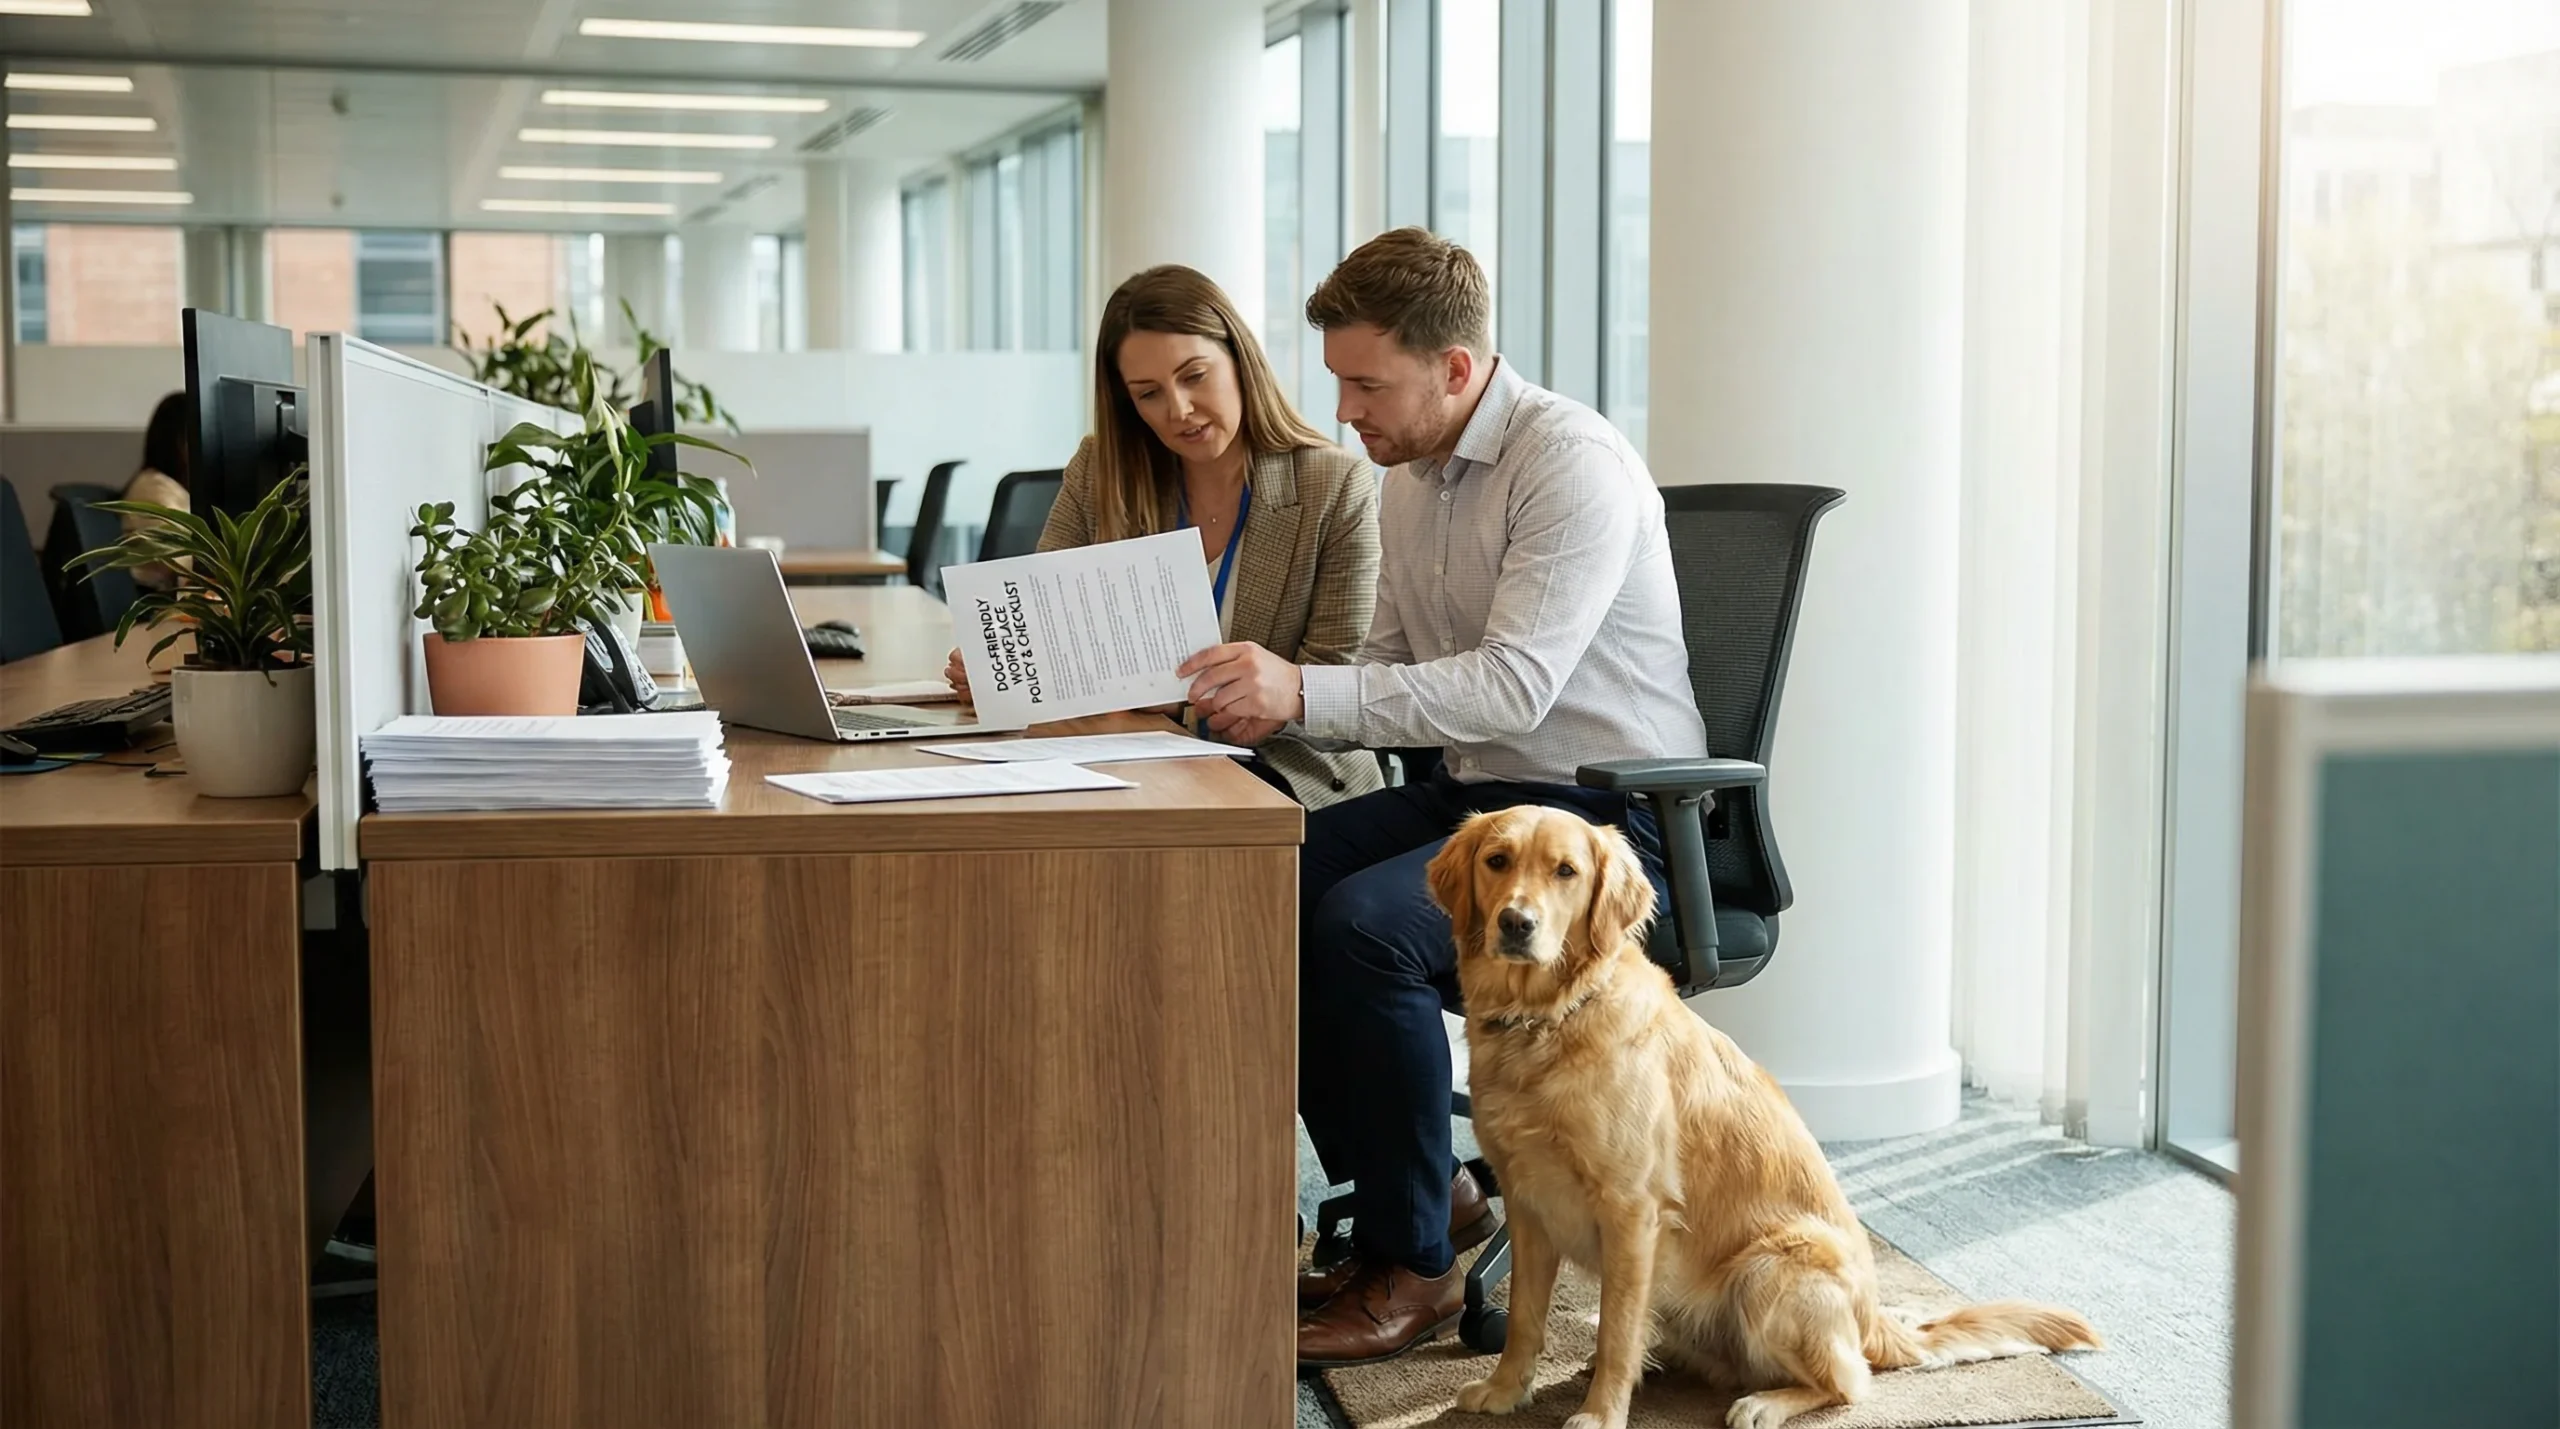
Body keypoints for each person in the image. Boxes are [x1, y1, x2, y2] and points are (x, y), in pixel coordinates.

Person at [1178, 228, 1711, 1365]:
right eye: (1339, 381)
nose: (1346, 409)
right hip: (1478, 799)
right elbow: (1386, 667)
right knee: (1261, 874)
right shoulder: (1411, 477)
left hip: (1606, 827)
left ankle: (1413, 1265)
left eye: (1366, 383)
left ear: (1457, 370)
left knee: (1364, 930)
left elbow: (1513, 685)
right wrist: (1265, 695)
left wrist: (1305, 691)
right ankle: (1427, 1200)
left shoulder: (1570, 463)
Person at [944, 264, 1385, 808]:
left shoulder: (1333, 484)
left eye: (1195, 376)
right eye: (1149, 393)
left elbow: (1337, 687)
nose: (1178, 410)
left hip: (1283, 774)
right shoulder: (1101, 471)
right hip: (1123, 760)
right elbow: (1042, 620)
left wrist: (1206, 707)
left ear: (1239, 360)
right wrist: (1001, 667)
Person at [122, 392, 192, 590]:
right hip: (155, 606)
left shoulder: (174, 488)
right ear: (176, 442)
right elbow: (184, 563)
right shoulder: (154, 489)